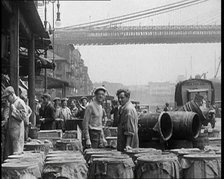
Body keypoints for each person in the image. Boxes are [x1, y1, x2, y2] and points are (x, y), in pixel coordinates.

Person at [2, 86, 27, 158]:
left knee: (16, 154)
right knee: (10, 154)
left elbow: (23, 117)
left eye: (7, 97)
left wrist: (14, 110)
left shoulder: (20, 102)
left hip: (17, 134)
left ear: (12, 94)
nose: (7, 99)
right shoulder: (11, 104)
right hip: (11, 133)